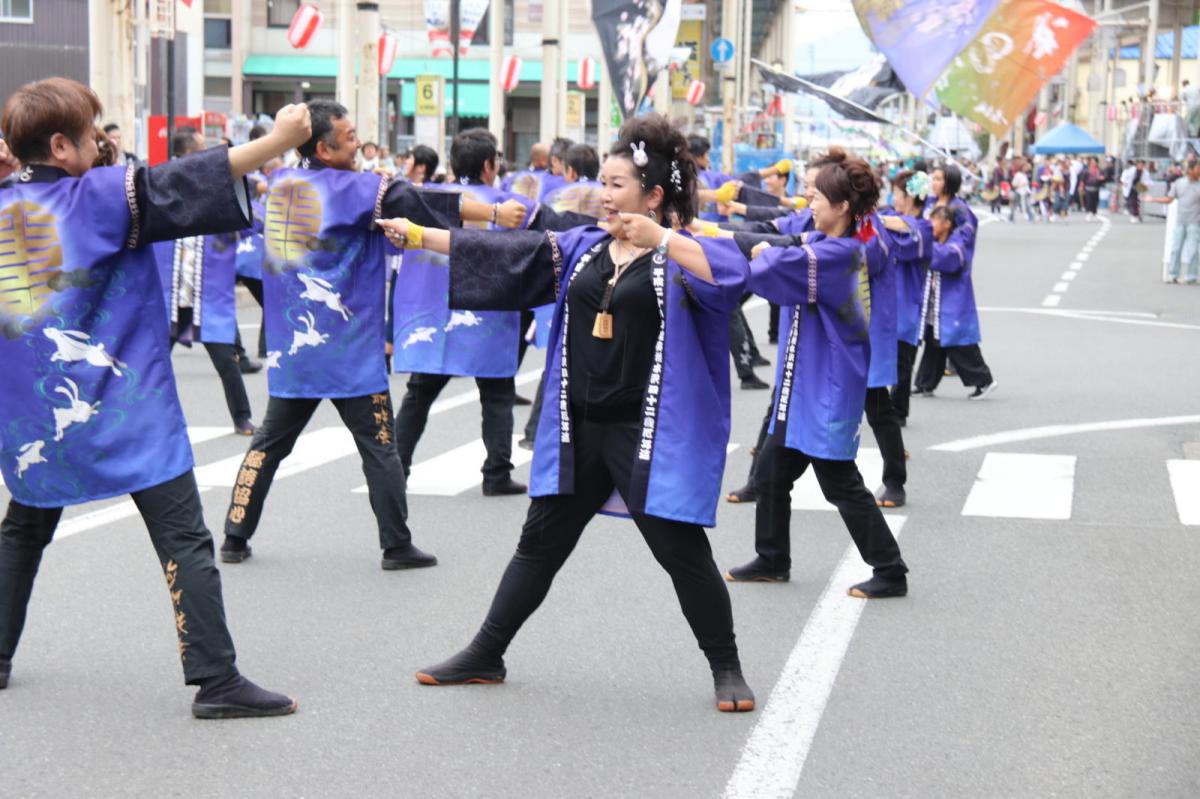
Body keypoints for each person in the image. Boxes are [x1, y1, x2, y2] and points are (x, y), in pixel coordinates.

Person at [380, 114, 757, 713]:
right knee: (538, 544)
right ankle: (486, 652)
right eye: (601, 183)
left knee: (681, 554)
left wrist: (659, 237)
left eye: (616, 184)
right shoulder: (585, 248)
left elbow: (734, 276)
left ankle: (727, 667)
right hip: (581, 428)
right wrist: (421, 235)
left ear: (653, 195)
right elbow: (507, 252)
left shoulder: (684, 255)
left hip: (644, 435)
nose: (602, 195)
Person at [0, 77, 310, 718]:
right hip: (124, 406)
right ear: (60, 146)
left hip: (36, 415)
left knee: (23, 531)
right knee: (183, 538)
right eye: (90, 135)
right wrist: (278, 140)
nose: (101, 143)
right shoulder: (97, 197)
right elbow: (197, 177)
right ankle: (217, 679)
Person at [218, 100, 525, 569]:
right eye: (348, 136)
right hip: (347, 350)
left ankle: (234, 536)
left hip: (295, 352)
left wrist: (278, 312)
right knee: (380, 448)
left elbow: (256, 264)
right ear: (322, 147)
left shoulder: (279, 186)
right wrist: (496, 212)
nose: (357, 141)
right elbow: (424, 200)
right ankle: (396, 545)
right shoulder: (358, 188)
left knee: (268, 445)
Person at [723, 151, 909, 598]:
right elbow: (778, 245)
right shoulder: (828, 242)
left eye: (817, 194)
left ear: (843, 205)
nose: (809, 200)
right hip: (804, 382)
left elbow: (770, 270)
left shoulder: (841, 252)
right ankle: (772, 558)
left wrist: (764, 251)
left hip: (827, 385)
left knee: (840, 483)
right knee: (770, 472)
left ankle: (890, 569)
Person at [391, 128, 540, 498]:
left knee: (419, 395)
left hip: (433, 312)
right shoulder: (510, 206)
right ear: (490, 166)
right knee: (497, 394)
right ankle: (496, 472)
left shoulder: (428, 200)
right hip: (486, 313)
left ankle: (396, 468)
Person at [154, 126, 257, 436]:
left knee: (227, 361)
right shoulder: (159, 183)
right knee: (152, 360)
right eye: (200, 147)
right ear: (187, 153)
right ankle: (139, 416)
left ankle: (241, 418)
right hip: (173, 293)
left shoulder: (215, 182)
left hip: (205, 293)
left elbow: (246, 217)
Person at [913, 205, 997, 398]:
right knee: (934, 344)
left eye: (934, 221)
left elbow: (948, 259)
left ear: (947, 224)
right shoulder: (936, 241)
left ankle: (984, 381)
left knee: (960, 345)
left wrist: (924, 247)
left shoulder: (957, 244)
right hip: (937, 305)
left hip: (953, 305)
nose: (929, 225)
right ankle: (926, 383)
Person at [886, 171, 933, 428]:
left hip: (907, 304)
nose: (893, 198)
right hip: (886, 302)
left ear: (911, 197)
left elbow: (907, 230)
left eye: (896, 194)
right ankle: (883, 406)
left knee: (902, 361)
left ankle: (898, 410)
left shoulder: (924, 227)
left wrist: (874, 219)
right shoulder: (892, 220)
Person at [1144, 159, 1200, 284]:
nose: (1199, 171)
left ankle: (1191, 276)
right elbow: (1169, 199)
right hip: (1181, 221)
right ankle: (1173, 274)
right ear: (1190, 170)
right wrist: (1153, 199)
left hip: (1195, 222)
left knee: (1193, 250)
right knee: (1176, 248)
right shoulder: (1179, 183)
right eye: (1197, 169)